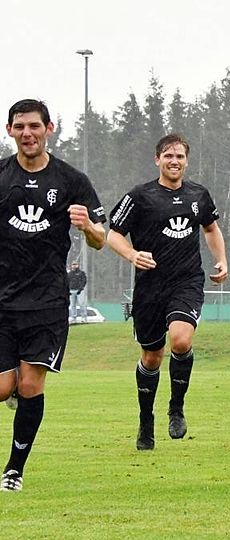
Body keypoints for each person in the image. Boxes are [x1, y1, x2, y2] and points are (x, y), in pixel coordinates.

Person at [0, 99, 107, 492]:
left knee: (31, 385)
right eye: (19, 126)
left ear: (49, 128)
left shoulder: (72, 180)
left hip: (47, 301)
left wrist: (87, 227)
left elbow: (101, 238)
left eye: (34, 126)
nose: (27, 133)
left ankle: (14, 471)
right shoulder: (1, 176)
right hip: (2, 299)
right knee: (3, 388)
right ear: (9, 131)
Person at [107, 133, 228, 451]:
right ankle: (145, 421)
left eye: (180, 156)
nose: (174, 161)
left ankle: (176, 408)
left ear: (186, 161)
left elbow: (211, 228)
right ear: (157, 159)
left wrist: (221, 259)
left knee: (181, 339)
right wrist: (132, 255)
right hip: (149, 288)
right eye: (168, 156)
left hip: (186, 282)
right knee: (151, 357)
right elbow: (113, 235)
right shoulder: (139, 196)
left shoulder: (199, 195)